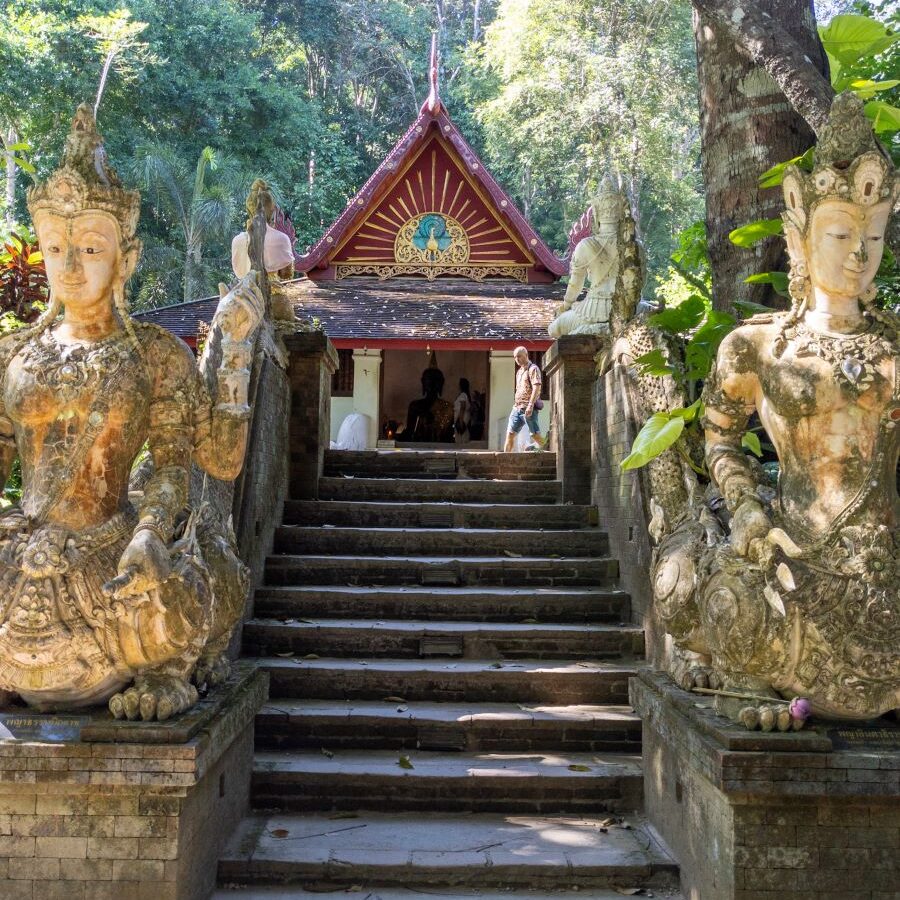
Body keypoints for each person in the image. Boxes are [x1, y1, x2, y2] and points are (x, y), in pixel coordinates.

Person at [504, 346, 545, 452]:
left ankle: (547, 447)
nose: (517, 359)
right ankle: (504, 462)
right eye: (515, 357)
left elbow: (537, 387)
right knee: (510, 434)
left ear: (526, 355)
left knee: (535, 435)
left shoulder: (533, 368)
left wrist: (531, 405)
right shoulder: (519, 372)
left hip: (528, 407)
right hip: (517, 408)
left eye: (519, 356)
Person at [454, 378, 471, 444]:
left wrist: (460, 420)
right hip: (462, 417)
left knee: (461, 435)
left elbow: (463, 407)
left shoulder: (463, 395)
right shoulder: (465, 395)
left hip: (461, 417)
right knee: (462, 434)